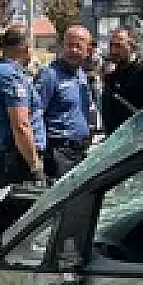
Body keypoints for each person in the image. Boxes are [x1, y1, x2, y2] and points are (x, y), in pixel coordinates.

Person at [0, 23, 46, 189]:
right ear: (26, 48)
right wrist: (35, 165)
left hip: (3, 155)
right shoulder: (11, 76)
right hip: (15, 158)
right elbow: (21, 124)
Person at [36, 24, 94, 179]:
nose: (73, 51)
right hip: (58, 152)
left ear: (88, 50)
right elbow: (36, 114)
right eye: (69, 46)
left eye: (78, 46)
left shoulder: (82, 75)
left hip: (80, 151)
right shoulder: (49, 75)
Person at [100, 27, 143, 137]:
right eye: (112, 45)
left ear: (132, 47)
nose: (114, 51)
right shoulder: (113, 75)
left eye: (119, 46)